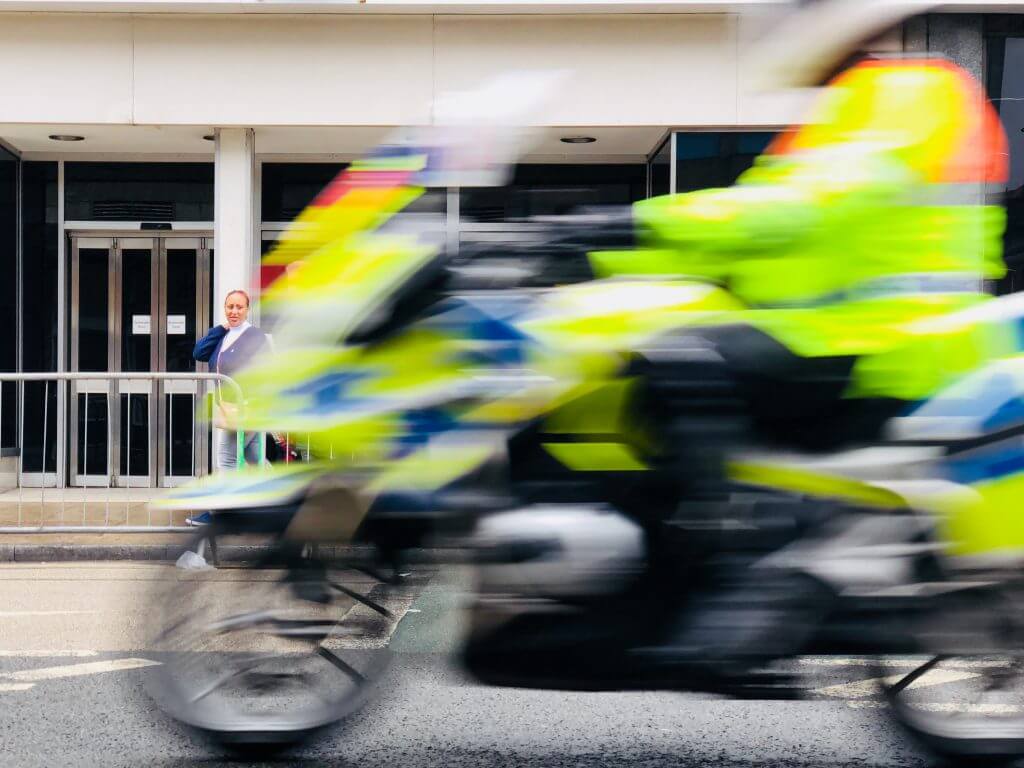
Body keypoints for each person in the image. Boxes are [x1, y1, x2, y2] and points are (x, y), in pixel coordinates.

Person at [193, 289, 271, 472]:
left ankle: (227, 500)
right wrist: (222, 328)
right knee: (254, 457)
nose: (234, 311)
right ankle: (282, 492)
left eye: (239, 307)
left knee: (227, 458)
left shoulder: (254, 335)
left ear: (247, 310)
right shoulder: (225, 335)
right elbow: (199, 353)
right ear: (224, 308)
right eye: (230, 307)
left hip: (246, 406)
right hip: (229, 406)